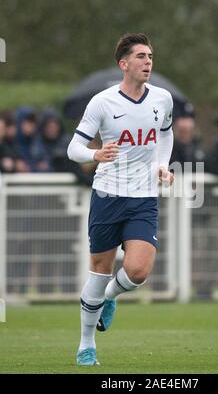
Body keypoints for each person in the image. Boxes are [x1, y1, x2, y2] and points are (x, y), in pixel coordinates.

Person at [67, 33, 174, 366]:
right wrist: (96, 153)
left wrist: (162, 165)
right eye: (141, 56)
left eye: (151, 56)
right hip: (107, 195)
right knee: (99, 272)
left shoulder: (163, 99)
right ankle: (87, 345)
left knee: (138, 271)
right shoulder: (102, 102)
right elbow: (73, 149)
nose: (148, 62)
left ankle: (111, 297)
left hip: (143, 197)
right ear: (123, 64)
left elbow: (166, 134)